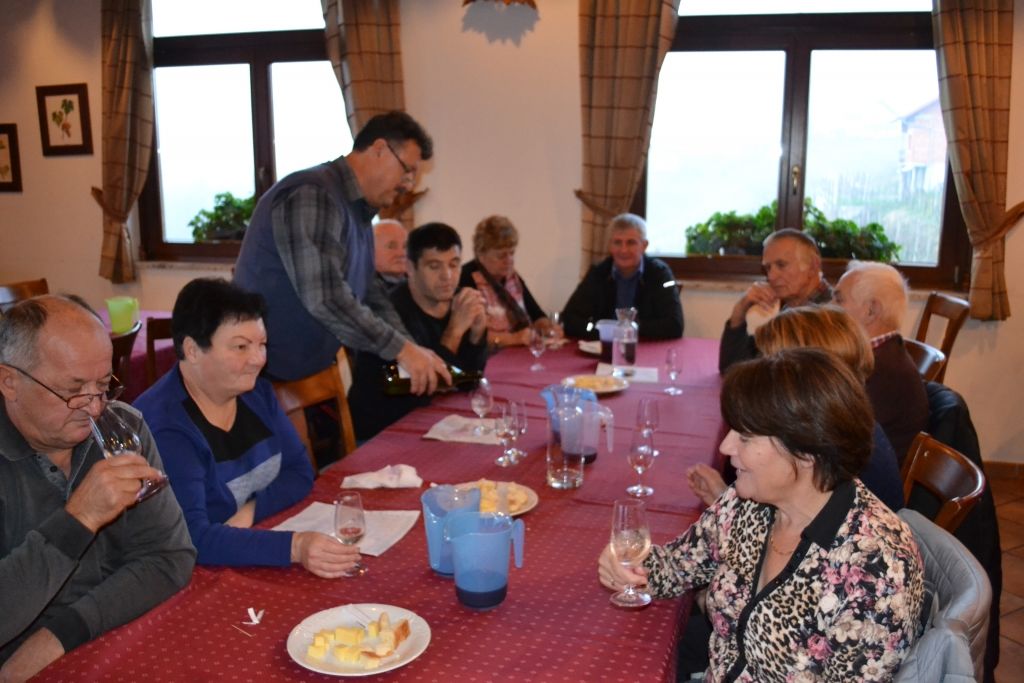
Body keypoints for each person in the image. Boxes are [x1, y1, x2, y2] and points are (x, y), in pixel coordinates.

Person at [598, 348, 924, 682]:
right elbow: (673, 568)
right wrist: (625, 567)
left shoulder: (877, 567)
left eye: (745, 436)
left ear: (806, 450)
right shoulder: (748, 504)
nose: (725, 447)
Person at [0, 296, 195, 680]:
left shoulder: (123, 428)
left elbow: (170, 557)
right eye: (73, 390)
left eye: (104, 386)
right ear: (9, 382)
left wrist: (61, 634)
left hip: (104, 635)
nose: (93, 409)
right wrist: (78, 519)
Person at [134, 279, 359, 578]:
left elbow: (300, 472)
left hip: (243, 546)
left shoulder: (256, 394)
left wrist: (249, 512)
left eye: (261, 344)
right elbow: (193, 539)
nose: (257, 360)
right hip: (181, 577)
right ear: (193, 350)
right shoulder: (165, 426)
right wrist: (295, 546)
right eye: (241, 347)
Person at [234, 110, 450, 395]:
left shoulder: (359, 212)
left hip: (299, 375)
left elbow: (370, 296)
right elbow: (326, 298)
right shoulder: (313, 195)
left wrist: (412, 349)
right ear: (379, 149)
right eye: (407, 170)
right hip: (258, 381)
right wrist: (402, 350)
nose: (409, 184)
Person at [690, 305, 905, 512]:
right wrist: (724, 500)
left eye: (769, 362)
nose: (762, 370)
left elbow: (804, 532)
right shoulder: (838, 427)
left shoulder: (841, 458)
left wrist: (724, 501)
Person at [350, 223, 489, 440]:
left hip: (430, 423)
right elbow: (421, 390)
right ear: (410, 267)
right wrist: (453, 332)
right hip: (380, 433)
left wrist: (476, 335)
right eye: (434, 266)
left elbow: (468, 383)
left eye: (454, 264)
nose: (447, 276)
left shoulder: (457, 302)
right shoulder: (389, 314)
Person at [834, 261, 929, 463]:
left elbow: (841, 443)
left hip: (867, 477)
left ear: (871, 310)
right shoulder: (881, 354)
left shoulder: (883, 372)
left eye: (839, 300)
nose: (830, 308)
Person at [719, 228, 832, 373]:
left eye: (781, 265)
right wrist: (740, 308)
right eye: (768, 268)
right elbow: (732, 366)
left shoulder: (829, 316)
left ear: (812, 266)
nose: (771, 276)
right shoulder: (792, 307)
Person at [561, 213, 683, 340]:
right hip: (604, 346)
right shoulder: (598, 273)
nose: (623, 250)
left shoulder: (660, 273)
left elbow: (675, 325)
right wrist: (601, 331)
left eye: (631, 243)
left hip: (645, 347)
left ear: (644, 245)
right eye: (617, 242)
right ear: (610, 246)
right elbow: (569, 319)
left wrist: (629, 330)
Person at [458, 215, 562, 348]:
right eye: (501, 255)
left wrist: (547, 327)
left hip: (517, 351)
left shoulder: (512, 278)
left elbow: (536, 314)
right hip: (488, 356)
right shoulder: (466, 278)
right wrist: (512, 339)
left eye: (512, 253)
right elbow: (469, 335)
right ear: (481, 255)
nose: (509, 260)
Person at [374, 219, 408, 295]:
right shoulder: (363, 288)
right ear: (371, 250)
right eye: (391, 246)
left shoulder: (420, 282)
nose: (402, 253)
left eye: (405, 246)